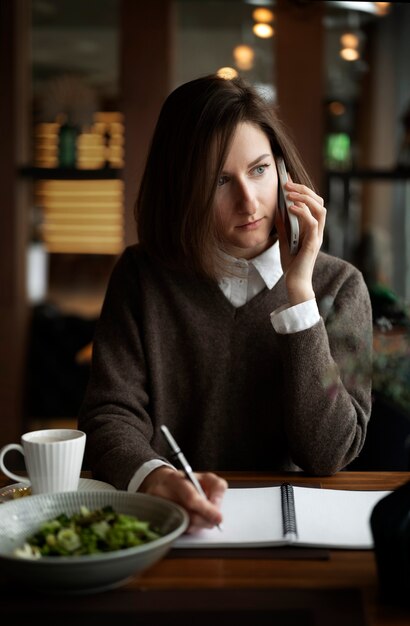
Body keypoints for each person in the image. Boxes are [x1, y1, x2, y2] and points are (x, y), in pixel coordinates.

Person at [79, 74, 373, 532]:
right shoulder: (143, 277)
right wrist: (156, 478)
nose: (249, 200)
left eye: (259, 170)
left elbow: (327, 453)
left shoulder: (340, 285)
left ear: (282, 168)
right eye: (220, 180)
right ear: (183, 190)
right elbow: (108, 416)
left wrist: (299, 297)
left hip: (293, 535)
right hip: (167, 525)